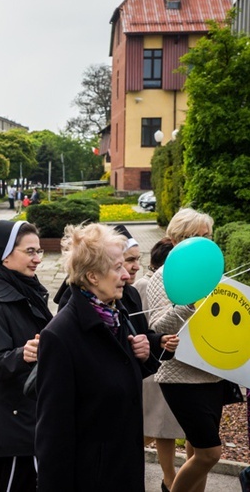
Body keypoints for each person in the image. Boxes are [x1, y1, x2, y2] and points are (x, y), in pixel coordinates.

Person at [35, 223, 160, 491]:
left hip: (123, 468)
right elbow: (53, 432)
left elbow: (115, 382)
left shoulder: (116, 315)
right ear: (92, 276)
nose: (127, 275)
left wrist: (145, 356)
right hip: (92, 478)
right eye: (117, 267)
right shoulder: (60, 336)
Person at [0, 221, 53, 491]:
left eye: (39, 251)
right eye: (30, 251)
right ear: (5, 254)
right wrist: (23, 354)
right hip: (7, 425)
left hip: (27, 419)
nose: (37, 258)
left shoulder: (28, 289)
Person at [148, 208, 220, 492]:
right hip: (179, 376)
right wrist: (188, 304)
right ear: (180, 239)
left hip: (212, 373)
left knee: (196, 450)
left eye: (209, 236)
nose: (206, 242)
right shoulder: (163, 275)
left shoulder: (213, 273)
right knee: (209, 454)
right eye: (199, 236)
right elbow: (157, 325)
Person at [135, 237, 185, 492]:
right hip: (154, 364)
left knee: (162, 427)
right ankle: (169, 480)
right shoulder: (146, 284)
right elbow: (147, 323)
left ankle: (170, 480)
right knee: (157, 426)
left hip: (163, 360)